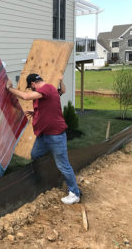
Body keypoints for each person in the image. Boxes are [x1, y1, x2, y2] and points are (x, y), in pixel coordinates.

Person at [6, 73, 80, 204]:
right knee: (35, 154)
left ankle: (74, 193)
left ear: (33, 84)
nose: (32, 89)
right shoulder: (48, 93)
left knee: (63, 165)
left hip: (56, 136)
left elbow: (25, 96)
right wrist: (35, 113)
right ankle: (47, 175)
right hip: (43, 135)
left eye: (31, 87)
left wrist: (9, 88)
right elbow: (60, 93)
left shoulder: (46, 88)